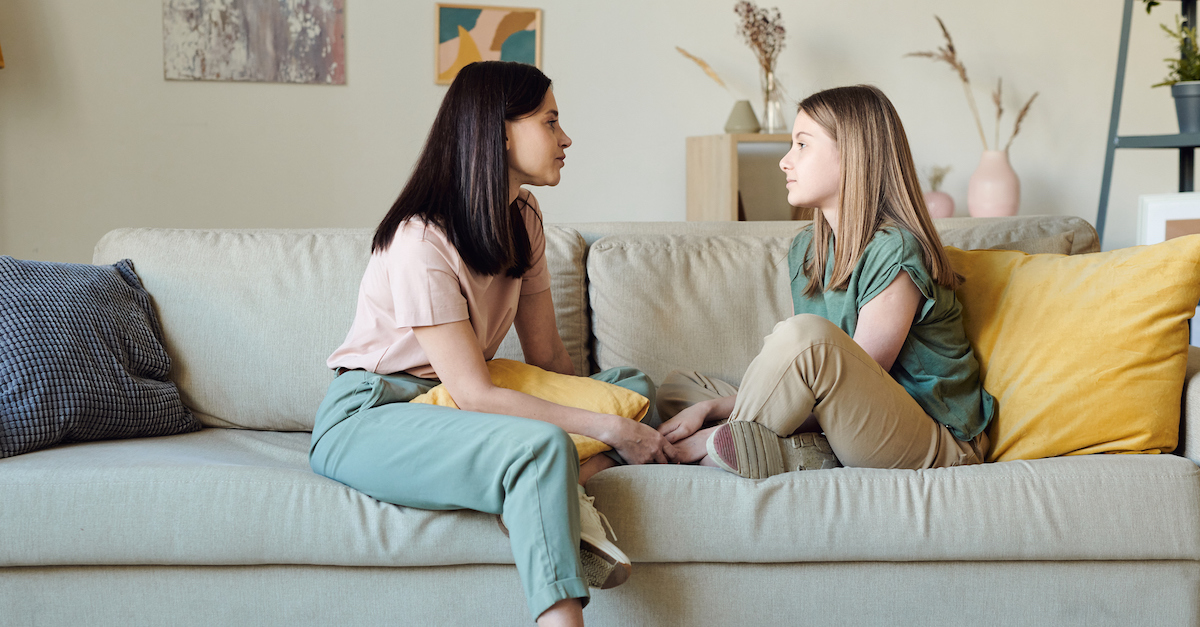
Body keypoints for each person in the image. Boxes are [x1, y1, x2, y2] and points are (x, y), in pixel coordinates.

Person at [309, 61, 677, 627]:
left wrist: (611, 411)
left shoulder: (522, 216)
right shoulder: (420, 239)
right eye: (551, 122)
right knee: (544, 445)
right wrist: (608, 430)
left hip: (459, 402)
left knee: (631, 389)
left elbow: (549, 358)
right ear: (502, 131)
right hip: (377, 413)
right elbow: (475, 391)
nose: (566, 138)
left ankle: (541, 498)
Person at [656, 84, 996, 477]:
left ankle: (733, 440)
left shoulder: (896, 249)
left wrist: (714, 423)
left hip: (935, 439)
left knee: (803, 337)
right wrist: (706, 407)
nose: (785, 161)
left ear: (852, 156)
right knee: (677, 389)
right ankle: (792, 451)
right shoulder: (809, 247)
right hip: (850, 424)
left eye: (802, 145)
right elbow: (815, 386)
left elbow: (855, 379)